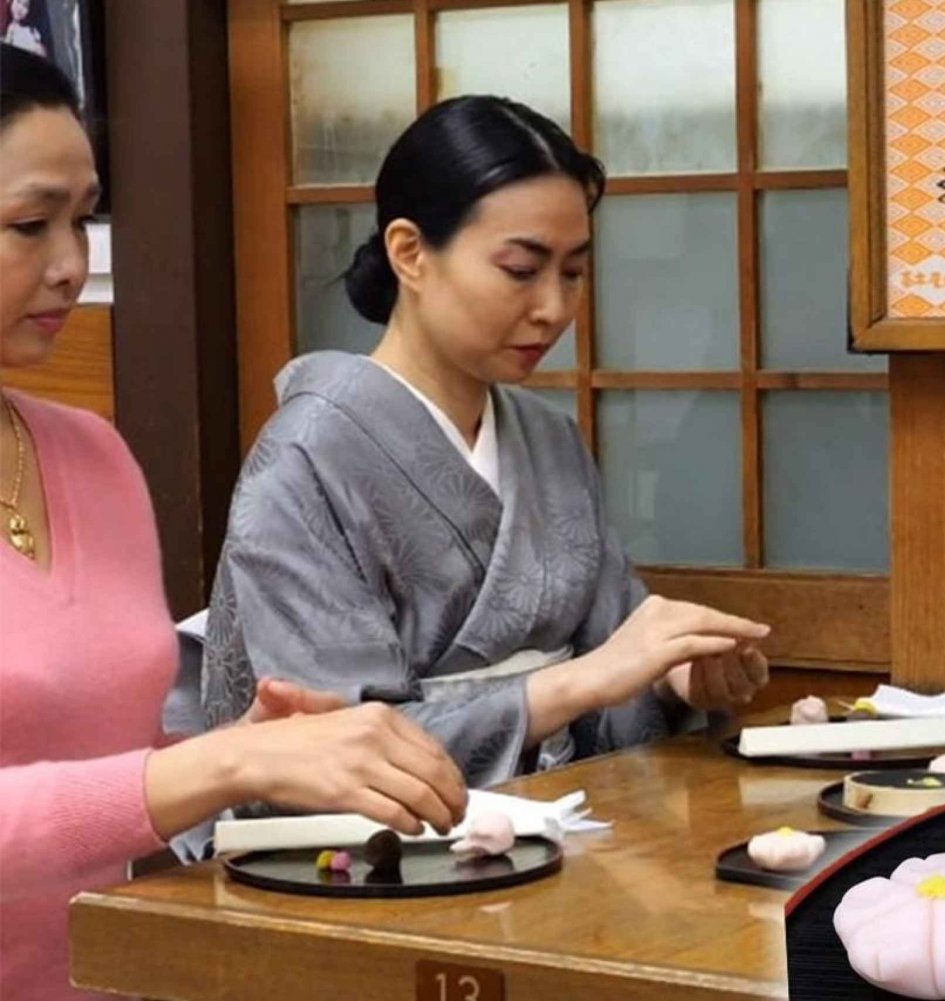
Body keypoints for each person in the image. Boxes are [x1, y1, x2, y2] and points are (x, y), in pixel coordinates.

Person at [0, 46, 469, 1001]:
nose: (70, 264)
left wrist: (251, 746)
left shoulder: (94, 457)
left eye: (82, 219)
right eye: (27, 224)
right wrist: (221, 762)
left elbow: (102, 772)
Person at [200, 96, 771, 789]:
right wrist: (574, 684)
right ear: (409, 252)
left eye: (574, 272)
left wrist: (676, 677)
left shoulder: (547, 437)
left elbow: (613, 664)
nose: (555, 308)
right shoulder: (307, 456)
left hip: (563, 829)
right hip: (382, 864)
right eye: (521, 270)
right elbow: (325, 738)